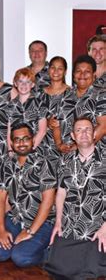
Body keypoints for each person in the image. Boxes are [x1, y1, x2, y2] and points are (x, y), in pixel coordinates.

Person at [45, 117, 106, 279]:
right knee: (58, 268)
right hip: (72, 224)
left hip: (99, 225)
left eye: (88, 129)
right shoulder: (65, 161)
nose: (84, 133)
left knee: (92, 269)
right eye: (79, 130)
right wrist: (58, 221)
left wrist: (105, 228)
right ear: (73, 135)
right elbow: (62, 192)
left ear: (94, 134)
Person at [0, 124, 56, 268]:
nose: (21, 143)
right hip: (15, 219)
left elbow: (48, 201)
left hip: (41, 223)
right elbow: (0, 200)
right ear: (12, 143)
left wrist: (30, 232)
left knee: (21, 258)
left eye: (26, 139)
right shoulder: (7, 165)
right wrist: (1, 229)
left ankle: (50, 253)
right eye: (17, 139)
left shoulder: (44, 163)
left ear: (33, 141)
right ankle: (22, 245)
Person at [51, 55, 106, 149]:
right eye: (78, 71)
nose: (82, 75)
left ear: (94, 75)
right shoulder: (64, 95)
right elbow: (56, 123)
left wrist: (77, 146)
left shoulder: (101, 95)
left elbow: (103, 126)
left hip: (93, 154)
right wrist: (59, 144)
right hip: (66, 156)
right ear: (73, 75)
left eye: (87, 72)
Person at [8, 68, 48, 153]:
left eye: (28, 82)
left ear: (32, 84)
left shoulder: (40, 104)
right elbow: (8, 130)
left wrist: (30, 148)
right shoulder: (10, 105)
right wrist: (10, 149)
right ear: (15, 83)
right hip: (16, 149)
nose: (24, 85)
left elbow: (42, 130)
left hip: (35, 149)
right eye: (21, 81)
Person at [41, 56, 72, 160]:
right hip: (44, 145)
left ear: (65, 71)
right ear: (49, 69)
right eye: (53, 67)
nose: (56, 71)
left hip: (67, 144)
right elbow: (32, 119)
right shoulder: (39, 94)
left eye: (60, 68)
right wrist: (47, 123)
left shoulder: (72, 93)